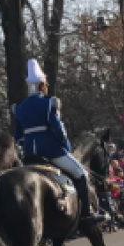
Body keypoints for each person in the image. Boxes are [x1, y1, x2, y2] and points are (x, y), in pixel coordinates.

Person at [15, 58, 104, 225]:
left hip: (29, 154)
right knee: (81, 174)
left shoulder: (20, 107)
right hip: (51, 150)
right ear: (42, 84)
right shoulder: (49, 103)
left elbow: (18, 135)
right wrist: (65, 146)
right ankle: (87, 213)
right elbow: (59, 130)